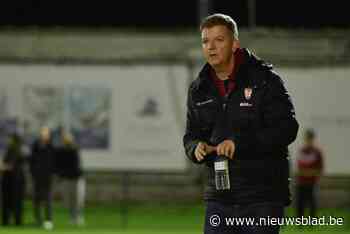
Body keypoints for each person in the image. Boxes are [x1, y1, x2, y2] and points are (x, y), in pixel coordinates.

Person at [183, 13, 299, 234]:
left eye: (219, 40)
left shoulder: (265, 80)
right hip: (219, 198)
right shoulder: (198, 89)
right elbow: (190, 135)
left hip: (262, 198)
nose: (211, 47)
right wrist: (195, 148)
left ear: (235, 43)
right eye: (206, 41)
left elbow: (287, 128)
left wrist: (240, 144)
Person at [55, 131, 85, 226]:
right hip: (66, 179)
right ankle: (72, 217)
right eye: (65, 139)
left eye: (68, 139)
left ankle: (78, 218)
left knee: (78, 200)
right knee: (68, 200)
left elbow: (77, 164)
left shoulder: (75, 149)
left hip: (76, 178)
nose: (66, 141)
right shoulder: (60, 151)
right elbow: (58, 165)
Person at [29, 126, 55, 230]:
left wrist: (52, 172)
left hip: (47, 177)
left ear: (48, 134)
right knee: (36, 199)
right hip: (37, 176)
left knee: (47, 199)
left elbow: (53, 161)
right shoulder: (35, 145)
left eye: (45, 132)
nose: (43, 134)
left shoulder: (51, 146)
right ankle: (37, 220)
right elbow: (32, 160)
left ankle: (48, 220)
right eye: (42, 132)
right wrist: (33, 172)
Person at [295, 129, 323, 219]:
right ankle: (300, 221)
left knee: (312, 203)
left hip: (312, 182)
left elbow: (320, 169)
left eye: (309, 138)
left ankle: (312, 221)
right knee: (300, 203)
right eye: (307, 138)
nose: (308, 140)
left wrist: (310, 173)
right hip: (301, 182)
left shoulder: (317, 152)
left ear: (312, 139)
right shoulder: (301, 151)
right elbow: (299, 167)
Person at [1, 133, 26, 226]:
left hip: (12, 180)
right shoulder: (18, 151)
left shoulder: (13, 150)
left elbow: (10, 165)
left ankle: (8, 220)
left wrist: (2, 167)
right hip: (17, 180)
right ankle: (16, 220)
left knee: (9, 201)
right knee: (17, 202)